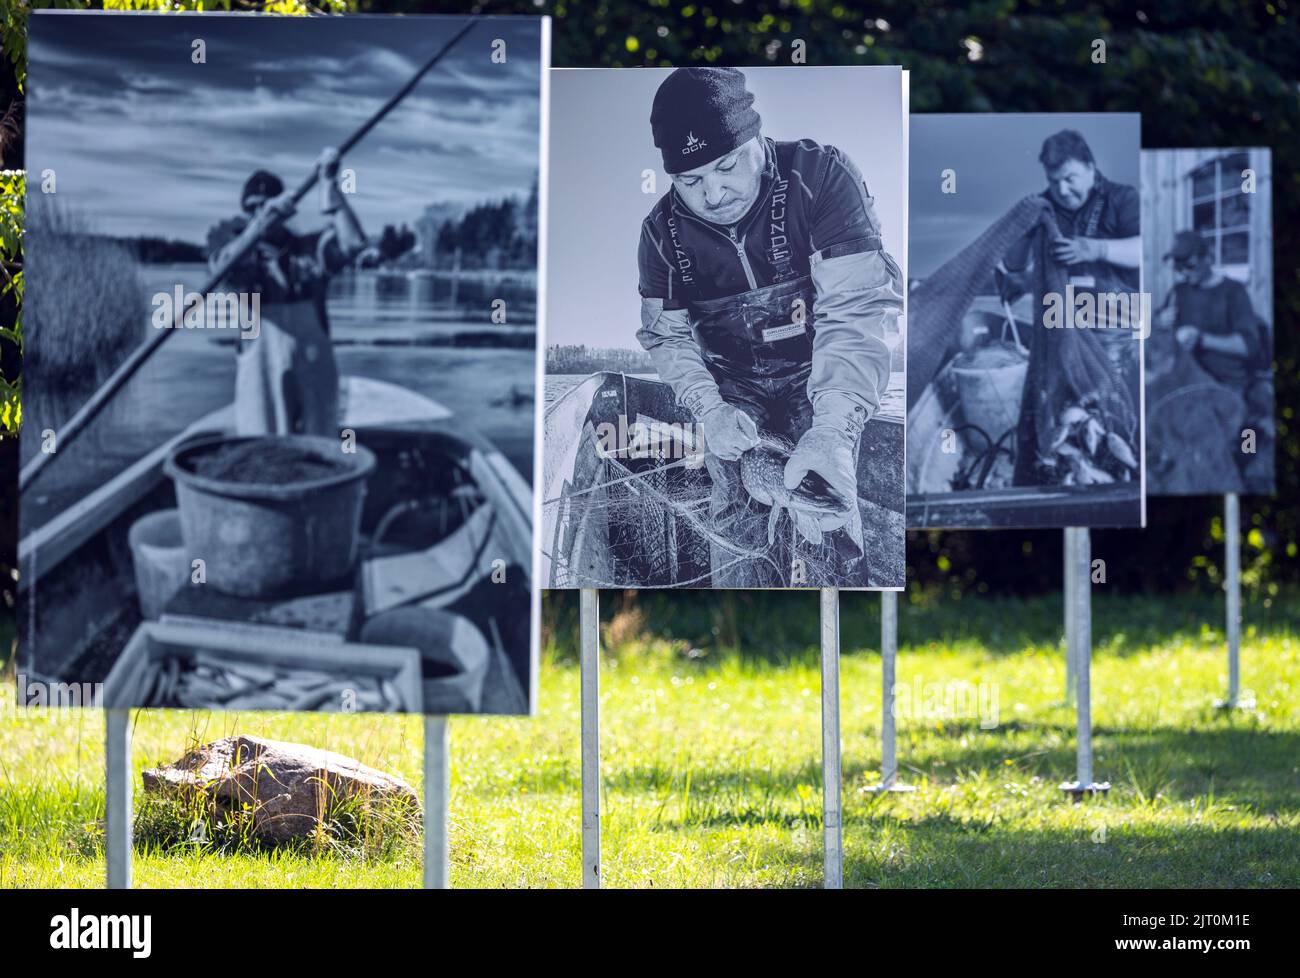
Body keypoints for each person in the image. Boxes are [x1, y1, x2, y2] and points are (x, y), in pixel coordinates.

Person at [634, 68, 902, 585]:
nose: (713, 193)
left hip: (819, 371)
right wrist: (710, 410)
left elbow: (856, 310)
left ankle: (846, 614)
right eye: (690, 181)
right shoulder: (659, 236)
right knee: (736, 512)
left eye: (728, 165)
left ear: (756, 137)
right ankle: (738, 628)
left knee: (826, 504)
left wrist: (833, 428)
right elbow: (667, 337)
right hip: (731, 388)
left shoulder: (820, 178)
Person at [209, 147, 367, 436]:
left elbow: (354, 244)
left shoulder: (309, 249)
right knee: (261, 450)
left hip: (314, 365)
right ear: (245, 212)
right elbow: (222, 271)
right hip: (260, 374)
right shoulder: (237, 252)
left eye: (267, 204)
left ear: (286, 209)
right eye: (253, 207)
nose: (260, 210)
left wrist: (331, 186)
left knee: (322, 448)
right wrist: (257, 227)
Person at [1156, 229, 1272, 485]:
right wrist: (1158, 321)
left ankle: (1242, 469)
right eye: (1178, 267)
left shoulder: (1233, 292)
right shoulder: (1179, 291)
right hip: (1186, 383)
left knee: (1234, 449)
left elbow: (1248, 347)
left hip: (1226, 384)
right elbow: (1159, 337)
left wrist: (1201, 338)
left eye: (1189, 265)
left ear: (1208, 257)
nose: (1183, 272)